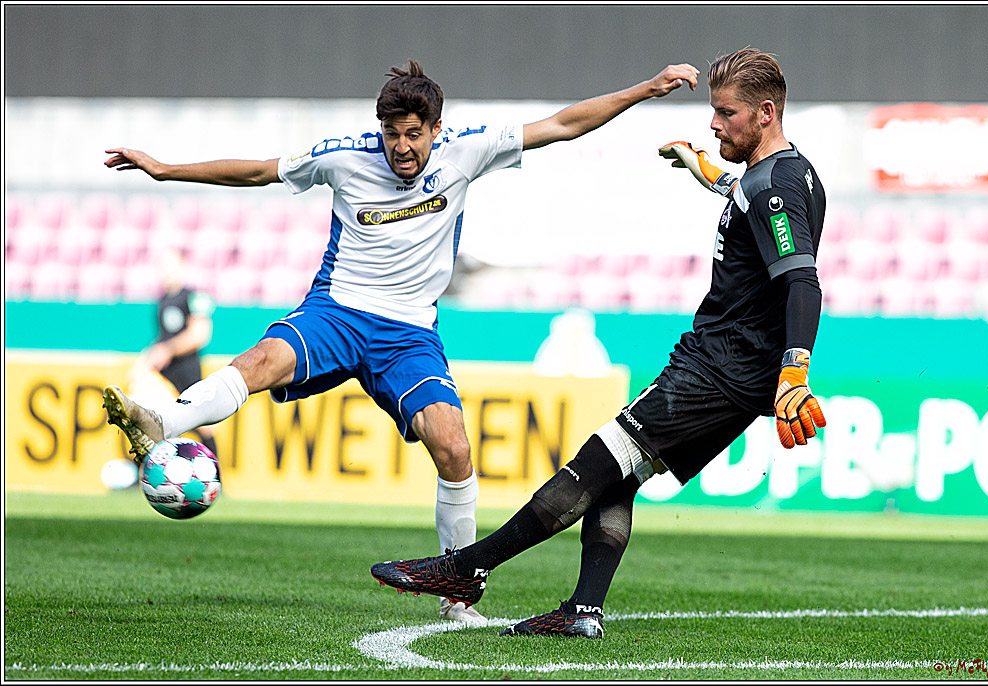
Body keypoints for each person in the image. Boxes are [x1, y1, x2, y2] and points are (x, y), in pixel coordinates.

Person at [100, 59, 700, 625]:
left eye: (414, 134)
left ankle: (459, 593)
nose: (402, 148)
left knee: (455, 449)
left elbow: (564, 125)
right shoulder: (341, 158)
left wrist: (644, 89)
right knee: (260, 361)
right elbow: (258, 171)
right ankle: (166, 423)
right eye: (391, 134)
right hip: (337, 311)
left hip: (409, 332)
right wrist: (164, 168)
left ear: (436, 129)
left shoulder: (468, 148)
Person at [370, 48, 827, 638]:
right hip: (729, 365)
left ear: (765, 113)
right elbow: (744, 196)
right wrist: (701, 167)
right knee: (622, 478)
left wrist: (795, 371)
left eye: (725, 114)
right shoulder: (783, 173)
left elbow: (800, 280)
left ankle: (467, 567)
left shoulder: (778, 186)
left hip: (723, 367)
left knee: (598, 460)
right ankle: (582, 611)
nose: (713, 124)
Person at [126, 248, 219, 458]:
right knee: (150, 420)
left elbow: (199, 335)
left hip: (186, 370)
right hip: (165, 373)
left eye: (171, 266)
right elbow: (163, 337)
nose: (165, 272)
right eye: (162, 267)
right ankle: (140, 470)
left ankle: (216, 473)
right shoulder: (162, 301)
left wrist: (168, 350)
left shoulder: (193, 297)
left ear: (181, 267)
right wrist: (145, 360)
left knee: (202, 423)